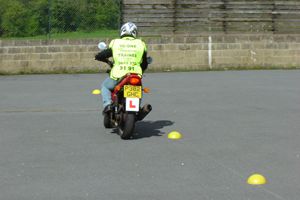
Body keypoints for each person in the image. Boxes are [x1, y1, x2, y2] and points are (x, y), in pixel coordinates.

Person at [95, 22, 148, 114]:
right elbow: (144, 63)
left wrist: (98, 56)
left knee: (105, 86)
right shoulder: (141, 44)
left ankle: (107, 105)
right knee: (139, 88)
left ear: (122, 31)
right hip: (135, 75)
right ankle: (137, 108)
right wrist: (141, 71)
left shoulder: (116, 42)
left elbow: (105, 54)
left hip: (118, 75)